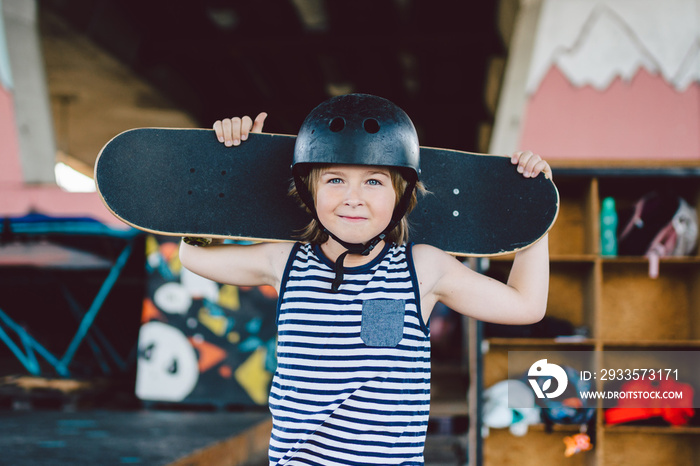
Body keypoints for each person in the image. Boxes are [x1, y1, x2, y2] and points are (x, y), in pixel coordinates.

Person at [180, 94, 551, 465]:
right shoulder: (286, 261)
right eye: (335, 179)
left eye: (374, 182)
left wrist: (536, 211)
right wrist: (228, 169)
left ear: (400, 196)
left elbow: (526, 305)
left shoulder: (421, 270)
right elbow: (192, 255)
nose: (352, 198)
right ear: (310, 191)